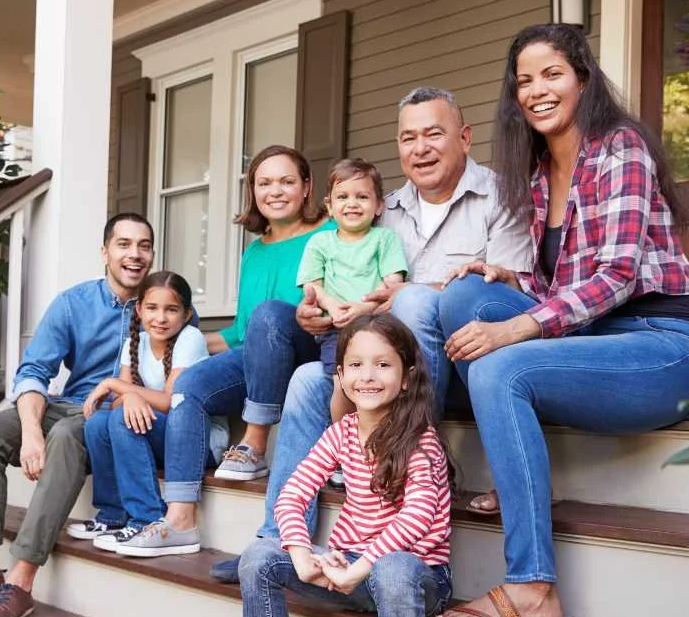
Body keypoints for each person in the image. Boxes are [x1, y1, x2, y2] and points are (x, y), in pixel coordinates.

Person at [430, 24, 689, 617]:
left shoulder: (620, 149)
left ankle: (533, 587)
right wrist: (505, 278)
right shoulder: (537, 175)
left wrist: (518, 330)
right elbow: (561, 293)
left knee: (500, 362)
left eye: (551, 74)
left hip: (663, 342)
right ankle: (518, 479)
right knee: (463, 299)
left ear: (582, 79)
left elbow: (615, 277)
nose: (536, 90)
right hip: (591, 342)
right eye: (524, 80)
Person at [210, 86, 533, 582]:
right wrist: (314, 313)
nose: (419, 147)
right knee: (304, 384)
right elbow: (342, 277)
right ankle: (276, 541)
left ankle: (414, 450)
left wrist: (405, 299)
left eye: (433, 134)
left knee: (417, 299)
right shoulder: (384, 209)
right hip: (372, 371)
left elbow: (510, 290)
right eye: (408, 137)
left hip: (457, 369)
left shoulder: (501, 196)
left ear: (465, 138)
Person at [230, 314, 453, 617]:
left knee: (394, 568)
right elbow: (292, 493)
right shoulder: (341, 433)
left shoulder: (421, 442)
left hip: (414, 578)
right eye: (355, 365)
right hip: (349, 570)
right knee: (259, 557)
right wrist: (300, 552)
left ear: (408, 377)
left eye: (382, 365)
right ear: (341, 376)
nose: (367, 376)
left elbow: (415, 519)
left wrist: (360, 565)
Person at [0, 213, 155, 617]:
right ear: (105, 252)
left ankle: (22, 579)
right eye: (123, 244)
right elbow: (33, 373)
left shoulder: (161, 303)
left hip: (108, 417)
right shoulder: (73, 303)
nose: (134, 255)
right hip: (67, 404)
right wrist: (30, 433)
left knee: (65, 433)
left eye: (144, 245)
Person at [161, 145, 333, 541]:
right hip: (257, 357)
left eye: (287, 181)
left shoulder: (330, 233)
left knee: (271, 314)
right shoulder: (254, 251)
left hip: (310, 349)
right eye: (264, 182)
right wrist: (182, 341)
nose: (275, 190)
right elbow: (241, 331)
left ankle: (254, 442)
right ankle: (181, 516)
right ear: (253, 191)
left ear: (307, 187)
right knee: (191, 387)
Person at [66, 270, 210, 556]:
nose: (161, 318)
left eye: (171, 309)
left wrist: (118, 387)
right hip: (156, 433)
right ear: (139, 309)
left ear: (186, 313)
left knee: (121, 419)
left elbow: (170, 401)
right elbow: (121, 401)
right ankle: (112, 514)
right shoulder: (135, 343)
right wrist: (128, 394)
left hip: (192, 442)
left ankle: (147, 518)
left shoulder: (190, 338)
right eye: (152, 308)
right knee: (98, 423)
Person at [296, 158, 408, 423]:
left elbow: (392, 283)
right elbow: (312, 285)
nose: (352, 203)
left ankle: (380, 441)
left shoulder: (384, 239)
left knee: (380, 386)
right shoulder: (320, 242)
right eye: (343, 197)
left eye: (362, 196)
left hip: (378, 325)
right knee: (344, 385)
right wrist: (332, 306)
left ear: (379, 205)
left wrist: (363, 308)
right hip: (337, 329)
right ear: (330, 206)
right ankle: (344, 445)